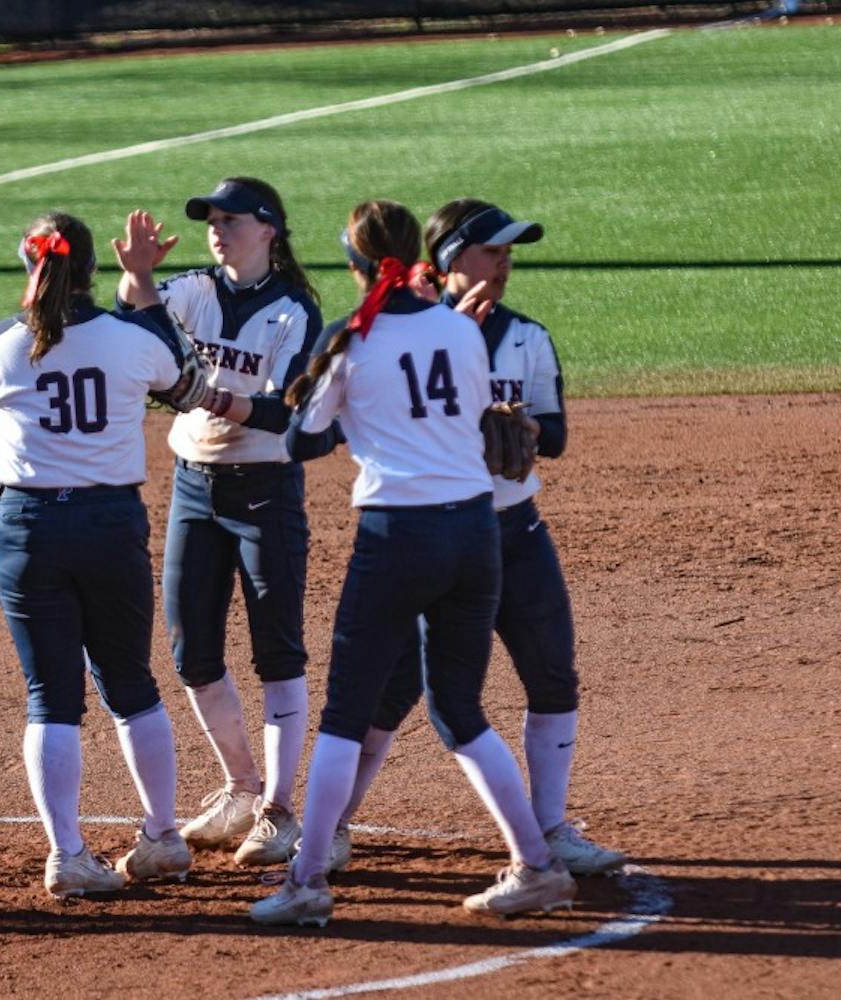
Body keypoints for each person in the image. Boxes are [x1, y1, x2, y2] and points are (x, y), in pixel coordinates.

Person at [250, 200, 576, 926]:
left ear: (355, 262)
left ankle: (305, 883)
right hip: (475, 535)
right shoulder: (461, 329)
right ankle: (538, 863)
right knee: (459, 709)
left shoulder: (352, 339)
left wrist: (326, 394)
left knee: (345, 715)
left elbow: (301, 441)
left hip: (397, 539)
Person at [323, 199, 626, 877]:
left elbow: (556, 436)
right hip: (434, 534)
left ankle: (550, 831)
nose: (505, 266)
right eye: (494, 252)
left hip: (513, 534)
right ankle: (334, 828)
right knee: (388, 693)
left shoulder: (527, 338)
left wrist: (518, 427)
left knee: (552, 675)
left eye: (510, 255)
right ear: (452, 259)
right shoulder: (405, 333)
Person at [0, 211, 210, 897]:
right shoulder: (129, 339)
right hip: (109, 523)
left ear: (30, 265)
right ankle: (163, 835)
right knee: (132, 684)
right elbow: (186, 384)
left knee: (51, 697)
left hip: (26, 525)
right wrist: (144, 285)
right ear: (88, 271)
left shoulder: (0, 349)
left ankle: (68, 854)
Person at [116, 178, 323, 867]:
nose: (216, 228)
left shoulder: (295, 309)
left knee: (277, 651)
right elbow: (139, 330)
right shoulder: (195, 289)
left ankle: (281, 811)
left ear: (268, 229)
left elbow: (283, 412)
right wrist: (136, 279)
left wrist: (206, 394)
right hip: (194, 488)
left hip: (266, 491)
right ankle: (241, 787)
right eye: (211, 219)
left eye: (230, 219)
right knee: (191, 649)